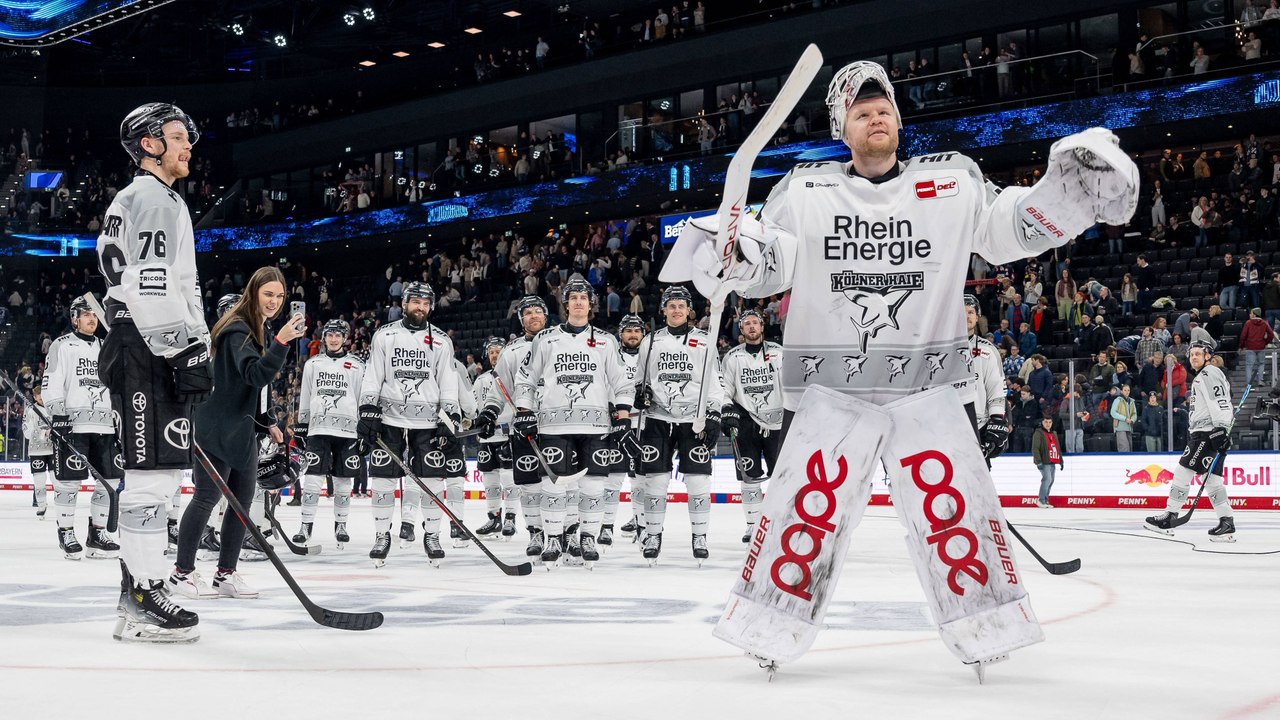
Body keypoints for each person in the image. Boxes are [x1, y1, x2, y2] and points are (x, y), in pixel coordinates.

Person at [667, 60, 1138, 673]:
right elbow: (771, 261)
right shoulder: (804, 191)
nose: (876, 118)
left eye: (883, 109)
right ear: (841, 128)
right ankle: (769, 626)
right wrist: (733, 257)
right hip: (827, 393)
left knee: (952, 514)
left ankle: (986, 627)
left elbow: (1007, 231)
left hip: (930, 387)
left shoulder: (952, 180)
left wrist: (1063, 198)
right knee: (803, 516)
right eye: (862, 113)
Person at [97, 102, 212, 643]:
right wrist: (183, 348)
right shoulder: (152, 198)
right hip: (147, 346)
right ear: (149, 144)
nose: (188, 145)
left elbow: (172, 283)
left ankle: (136, 593)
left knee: (161, 476)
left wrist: (193, 345)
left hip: (148, 344)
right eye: (177, 136)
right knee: (149, 480)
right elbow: (148, 281)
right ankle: (145, 593)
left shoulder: (155, 198)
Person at [170, 268, 303, 602]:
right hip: (216, 426)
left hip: (242, 427)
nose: (274, 301)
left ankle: (225, 574)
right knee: (206, 497)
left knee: (242, 502)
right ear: (253, 292)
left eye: (280, 296)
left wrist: (267, 421)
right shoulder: (237, 329)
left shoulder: (257, 327)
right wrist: (281, 342)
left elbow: (254, 388)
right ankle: (181, 573)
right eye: (268, 294)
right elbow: (255, 375)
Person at [512, 278, 633, 568]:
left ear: (591, 304)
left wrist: (623, 417)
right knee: (553, 484)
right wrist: (524, 411)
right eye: (573, 297)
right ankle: (554, 538)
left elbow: (621, 381)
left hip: (596, 426)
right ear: (566, 304)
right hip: (553, 426)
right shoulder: (545, 338)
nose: (578, 302)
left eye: (583, 298)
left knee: (593, 486)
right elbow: (526, 378)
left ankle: (587, 537)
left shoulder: (606, 340)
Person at [355, 281, 461, 568]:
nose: (420, 307)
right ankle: (381, 535)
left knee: (432, 480)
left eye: (426, 303)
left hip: (427, 422)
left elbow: (448, 382)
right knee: (382, 479)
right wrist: (367, 410)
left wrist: (449, 418)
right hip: (389, 419)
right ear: (404, 303)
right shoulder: (385, 335)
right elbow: (373, 375)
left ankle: (432, 535)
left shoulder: (441, 340)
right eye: (415, 302)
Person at [631, 285, 725, 565]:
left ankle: (700, 536)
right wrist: (641, 393)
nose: (676, 310)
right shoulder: (650, 341)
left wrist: (714, 414)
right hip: (657, 419)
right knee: (655, 481)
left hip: (693, 420)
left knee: (698, 481)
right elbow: (640, 378)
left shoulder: (704, 340)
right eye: (671, 305)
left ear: (689, 310)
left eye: (681, 305)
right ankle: (653, 535)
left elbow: (715, 381)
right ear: (664, 310)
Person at [42, 297, 121, 560]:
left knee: (110, 481)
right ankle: (66, 531)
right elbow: (51, 381)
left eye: (95, 315)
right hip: (73, 425)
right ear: (74, 318)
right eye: (86, 314)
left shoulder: (106, 346)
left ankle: (97, 534)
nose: (91, 319)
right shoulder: (62, 345)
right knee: (69, 482)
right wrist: (58, 417)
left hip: (105, 426)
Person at [477, 296, 550, 560]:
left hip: (557, 425)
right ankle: (536, 533)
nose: (533, 316)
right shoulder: (511, 351)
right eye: (527, 313)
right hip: (524, 427)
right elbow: (499, 390)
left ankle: (563, 534)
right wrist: (489, 411)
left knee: (561, 486)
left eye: (538, 311)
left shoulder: (561, 342)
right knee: (530, 485)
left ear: (546, 315)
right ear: (521, 319)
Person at [1145, 342, 1236, 541]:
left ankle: (1170, 516)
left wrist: (1221, 429)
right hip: (1209, 433)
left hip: (1207, 434)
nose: (1194, 357)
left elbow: (1220, 402)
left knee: (1182, 472)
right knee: (1212, 480)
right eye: (1192, 354)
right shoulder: (1204, 375)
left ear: (1208, 356)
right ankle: (1226, 522)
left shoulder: (1208, 373)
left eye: (1198, 354)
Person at [292, 319, 363, 550]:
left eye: (338, 335)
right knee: (313, 479)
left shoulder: (357, 365)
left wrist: (363, 429)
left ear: (345, 338)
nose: (333, 339)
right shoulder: (313, 364)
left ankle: (341, 525)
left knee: (343, 481)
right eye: (330, 335)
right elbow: (306, 395)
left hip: (348, 430)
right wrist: (302, 424)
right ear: (324, 338)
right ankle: (305, 526)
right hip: (318, 428)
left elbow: (361, 397)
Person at [719, 309, 785, 544]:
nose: (751, 327)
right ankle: (752, 525)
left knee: (781, 478)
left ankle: (780, 522)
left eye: (755, 322)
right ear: (741, 329)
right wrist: (727, 410)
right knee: (749, 477)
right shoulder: (732, 357)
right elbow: (724, 389)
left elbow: (790, 385)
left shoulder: (779, 353)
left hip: (777, 423)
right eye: (746, 323)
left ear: (762, 326)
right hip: (746, 422)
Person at [471, 337, 518, 540]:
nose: (495, 355)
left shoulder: (514, 376)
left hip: (508, 433)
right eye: (491, 352)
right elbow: (474, 405)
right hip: (487, 435)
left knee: (508, 478)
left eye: (498, 352)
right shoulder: (481, 380)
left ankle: (510, 518)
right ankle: (494, 518)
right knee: (489, 480)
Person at [605, 314, 646, 544]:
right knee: (613, 477)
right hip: (617, 422)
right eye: (628, 330)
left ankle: (641, 521)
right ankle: (606, 524)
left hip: (644, 422)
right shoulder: (611, 355)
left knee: (640, 477)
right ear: (621, 334)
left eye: (637, 331)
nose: (633, 335)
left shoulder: (649, 355)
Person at [21, 385, 54, 519]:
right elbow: (27, 433)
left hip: (53, 450)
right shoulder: (30, 410)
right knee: (39, 480)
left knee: (56, 479)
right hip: (36, 451)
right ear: (34, 397)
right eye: (39, 398)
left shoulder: (53, 408)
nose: (42, 400)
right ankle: (41, 506)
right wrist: (44, 433)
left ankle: (61, 504)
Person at [1030, 416, 1063, 508]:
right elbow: (1035, 448)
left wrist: (1061, 460)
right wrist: (1038, 461)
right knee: (1047, 479)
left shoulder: (1054, 433)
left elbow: (1057, 447)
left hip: (1053, 460)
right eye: (1046, 422)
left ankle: (1045, 500)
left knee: (1051, 480)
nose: (1048, 424)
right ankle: (1041, 500)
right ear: (1042, 423)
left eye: (1049, 422)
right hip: (1044, 461)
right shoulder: (1038, 433)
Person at [1239, 307, 1275, 386]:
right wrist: (1266, 342)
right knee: (1261, 364)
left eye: (1251, 313)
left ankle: (1249, 383)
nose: (1250, 315)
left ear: (1255, 315)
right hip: (1261, 347)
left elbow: (1243, 336)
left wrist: (1241, 346)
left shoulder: (1248, 323)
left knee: (1249, 365)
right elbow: (1271, 334)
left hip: (1250, 347)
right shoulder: (1264, 323)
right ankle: (1260, 380)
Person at [1109, 384, 1137, 452]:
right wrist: (1124, 419)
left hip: (1129, 427)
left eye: (1128, 390)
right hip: (1120, 427)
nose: (1127, 392)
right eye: (1125, 390)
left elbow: (1134, 413)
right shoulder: (1117, 400)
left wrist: (1132, 420)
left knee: (1130, 448)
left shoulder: (1131, 401)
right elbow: (1113, 412)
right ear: (1121, 391)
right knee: (1124, 448)